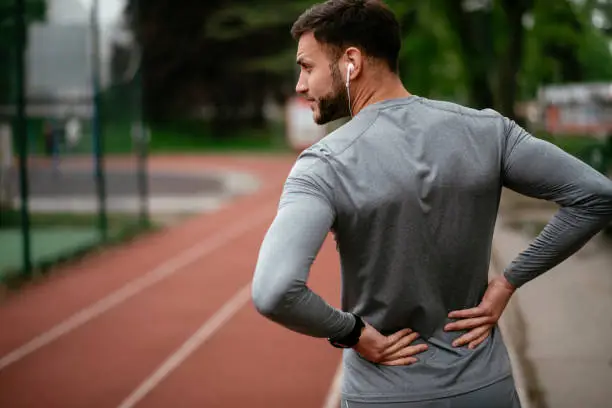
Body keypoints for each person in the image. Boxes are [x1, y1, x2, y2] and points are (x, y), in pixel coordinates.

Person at [251, 1, 612, 407]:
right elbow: (595, 196)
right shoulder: (489, 131)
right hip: (484, 386)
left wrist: (352, 332)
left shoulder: (324, 164)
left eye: (307, 66)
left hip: (384, 392)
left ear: (351, 61)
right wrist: (508, 282)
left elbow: (274, 290)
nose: (300, 85)